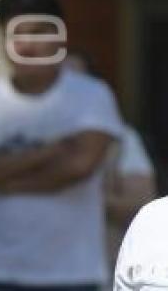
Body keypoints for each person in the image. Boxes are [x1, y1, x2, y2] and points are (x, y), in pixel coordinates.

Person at [0, 0, 123, 291]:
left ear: (60, 38)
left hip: (72, 274)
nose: (27, 45)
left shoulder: (91, 96)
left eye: (38, 33)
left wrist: (2, 178)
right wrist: (49, 152)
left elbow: (79, 167)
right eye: (16, 34)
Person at [65, 51, 157, 281]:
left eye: (77, 81)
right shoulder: (28, 133)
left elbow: (141, 203)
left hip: (99, 270)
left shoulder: (122, 139)